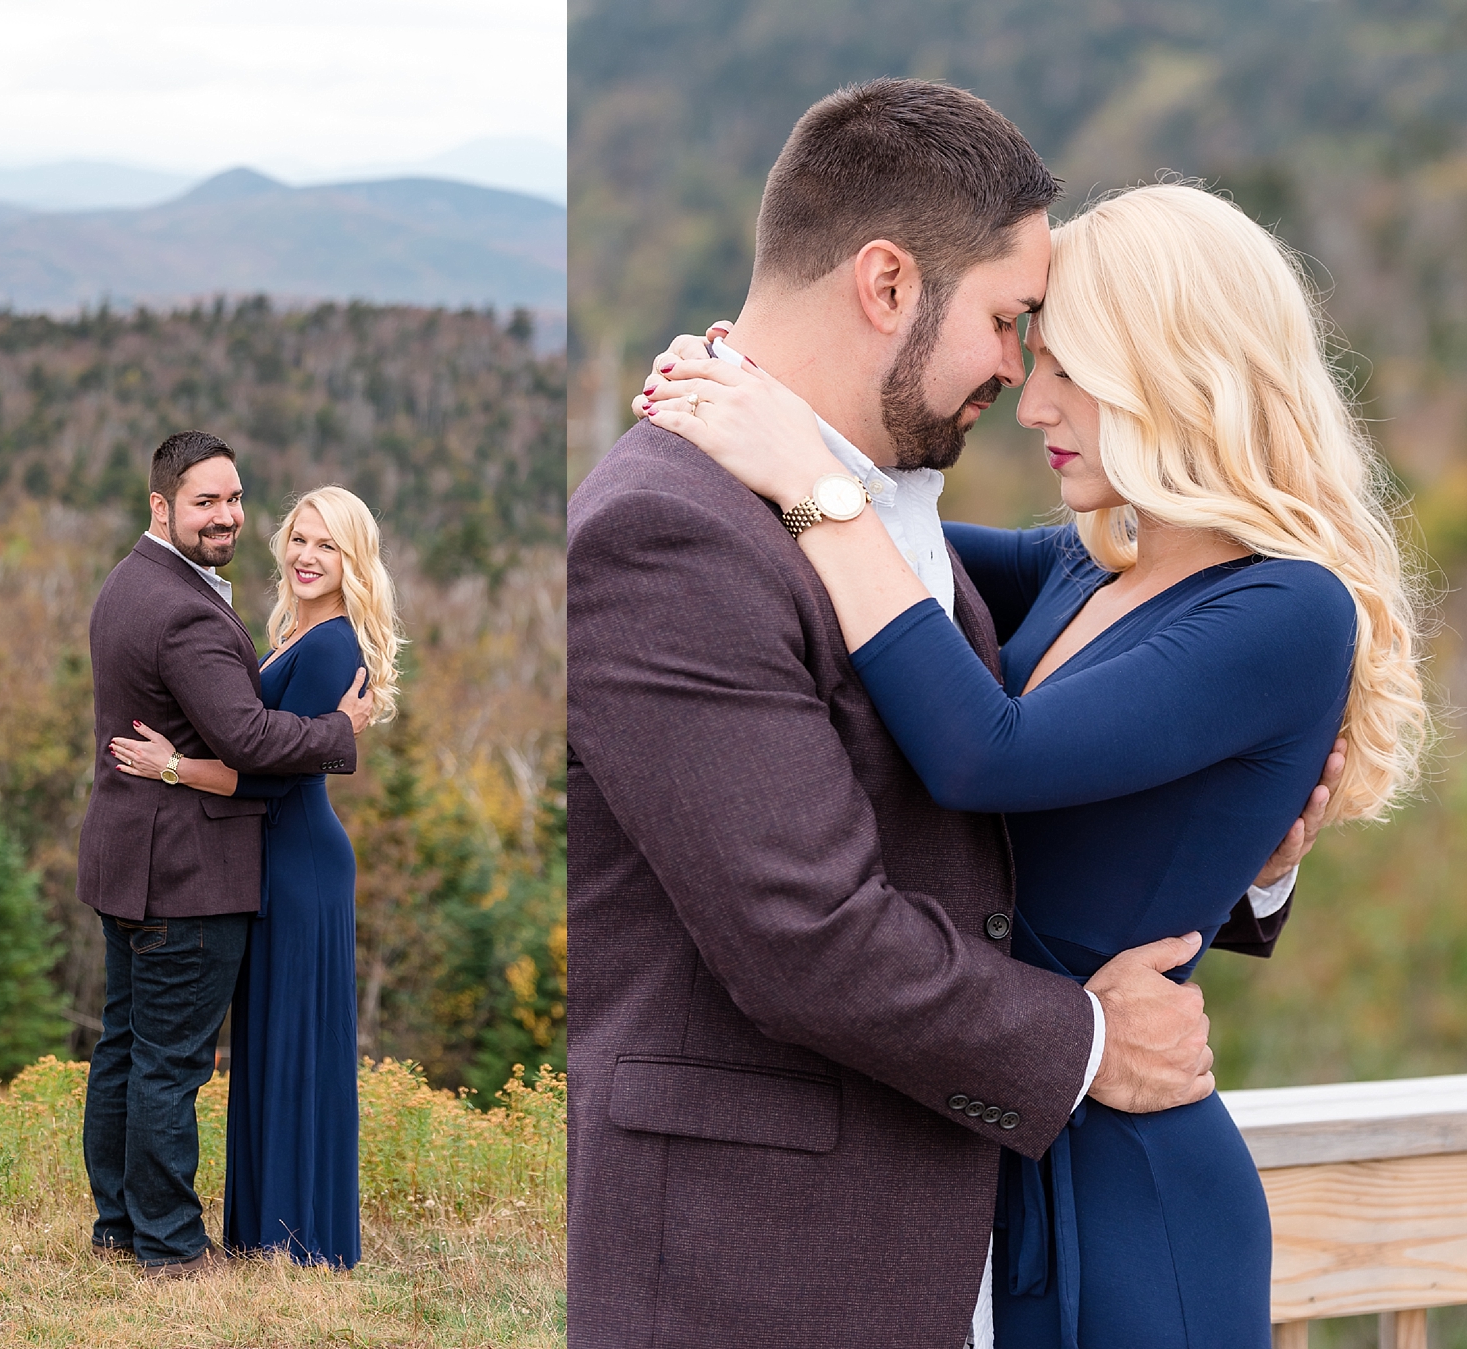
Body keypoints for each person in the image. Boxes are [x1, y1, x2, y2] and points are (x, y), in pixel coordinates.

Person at [568, 81, 1340, 1349]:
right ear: (885, 285)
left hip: (1024, 1210)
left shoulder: (869, 506)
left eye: (1052, 349)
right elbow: (806, 934)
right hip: (770, 1263)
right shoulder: (683, 527)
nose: (1022, 382)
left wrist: (1244, 860)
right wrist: (1090, 1038)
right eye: (1009, 322)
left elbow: (1004, 753)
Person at [78, 433, 371, 1279]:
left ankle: (118, 1226)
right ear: (161, 506)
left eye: (235, 499)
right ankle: (168, 1245)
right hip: (188, 871)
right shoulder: (184, 609)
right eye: (206, 501)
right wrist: (337, 734)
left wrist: (170, 763)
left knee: (127, 1047)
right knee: (166, 1062)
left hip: (131, 854)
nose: (228, 516)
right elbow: (245, 735)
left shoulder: (128, 583)